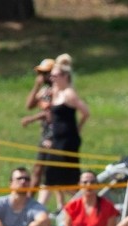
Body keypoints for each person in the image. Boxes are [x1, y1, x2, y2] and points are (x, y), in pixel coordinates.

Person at [39, 55, 90, 211]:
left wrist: (77, 129)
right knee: (51, 176)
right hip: (56, 140)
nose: (52, 78)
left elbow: (85, 112)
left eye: (55, 76)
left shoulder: (69, 94)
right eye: (52, 76)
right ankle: (41, 209)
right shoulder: (55, 92)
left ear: (64, 77)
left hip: (67, 141)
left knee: (63, 178)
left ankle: (84, 203)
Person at [46, 170, 119, 226]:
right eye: (85, 182)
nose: (89, 185)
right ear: (80, 185)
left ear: (97, 185)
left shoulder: (108, 207)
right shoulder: (72, 206)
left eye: (92, 182)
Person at [21, 58, 54, 190]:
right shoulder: (44, 90)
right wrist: (37, 86)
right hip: (45, 134)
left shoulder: (57, 90)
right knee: (38, 170)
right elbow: (29, 105)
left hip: (53, 135)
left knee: (50, 171)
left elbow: (51, 113)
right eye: (40, 73)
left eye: (44, 73)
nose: (41, 76)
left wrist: (32, 119)